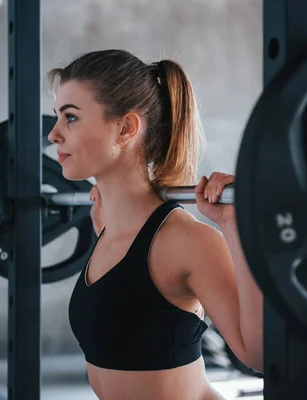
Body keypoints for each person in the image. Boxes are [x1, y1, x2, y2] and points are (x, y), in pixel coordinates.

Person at [46, 49, 263, 400]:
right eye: (58, 117)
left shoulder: (187, 240)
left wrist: (236, 228)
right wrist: (107, 218)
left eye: (70, 118)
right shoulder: (110, 233)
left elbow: (260, 356)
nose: (53, 134)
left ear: (126, 128)